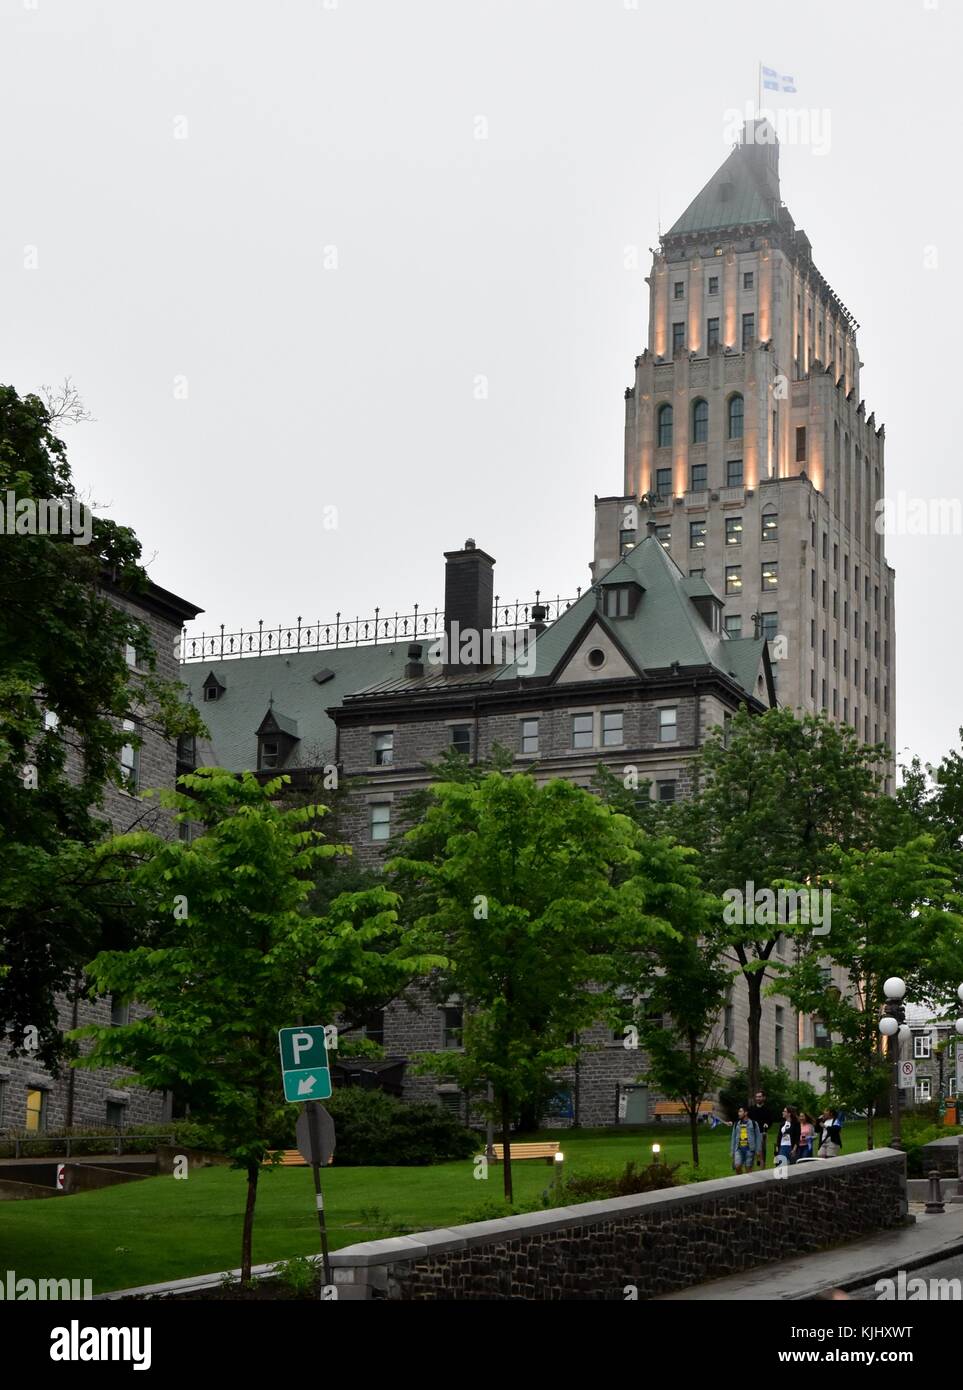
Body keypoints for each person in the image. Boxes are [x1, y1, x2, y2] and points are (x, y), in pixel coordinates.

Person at [730, 1105, 760, 1174]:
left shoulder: (753, 1123)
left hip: (750, 1149)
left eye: (740, 1111)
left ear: (746, 1113)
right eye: (738, 1112)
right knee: (737, 1166)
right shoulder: (736, 1124)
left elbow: (758, 1138)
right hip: (739, 1149)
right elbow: (733, 1138)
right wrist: (732, 1151)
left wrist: (758, 1150)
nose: (738, 1113)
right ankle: (741, 1181)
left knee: (748, 1169)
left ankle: (749, 1182)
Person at [747, 1090, 774, 1169]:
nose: (758, 1098)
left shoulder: (767, 1110)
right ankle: (750, 1169)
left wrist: (767, 1125)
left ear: (764, 1098)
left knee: (761, 1152)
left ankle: (762, 1169)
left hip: (762, 1133)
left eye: (759, 1097)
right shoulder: (751, 1109)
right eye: (756, 1097)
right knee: (751, 1152)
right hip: (752, 1134)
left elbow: (770, 1121)